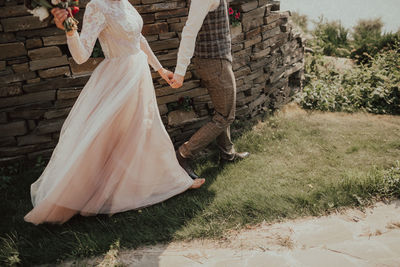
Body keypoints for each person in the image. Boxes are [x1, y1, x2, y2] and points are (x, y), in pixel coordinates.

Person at [24, 0, 205, 225]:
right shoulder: (97, 7)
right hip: (119, 80)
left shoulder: (124, 3)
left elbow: (138, 38)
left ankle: (155, 183)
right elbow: (81, 56)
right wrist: (70, 29)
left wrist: (159, 69)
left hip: (137, 76)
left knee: (142, 132)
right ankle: (89, 194)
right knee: (107, 138)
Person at [170, 0, 250, 179]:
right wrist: (180, 71)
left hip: (217, 61)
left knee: (221, 111)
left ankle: (227, 154)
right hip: (215, 63)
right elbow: (189, 32)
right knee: (225, 115)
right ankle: (182, 154)